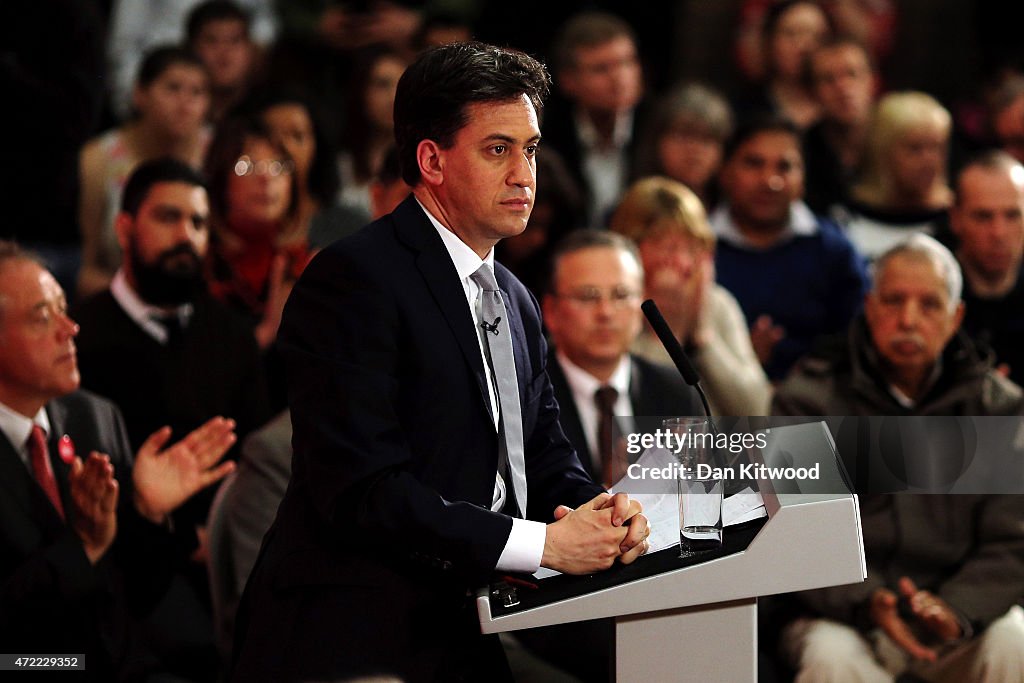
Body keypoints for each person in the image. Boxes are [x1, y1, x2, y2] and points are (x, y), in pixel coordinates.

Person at [230, 42, 650, 682]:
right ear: (431, 159)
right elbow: (364, 491)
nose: (524, 174)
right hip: (350, 633)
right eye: (497, 149)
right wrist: (545, 544)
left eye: (531, 149)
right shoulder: (353, 280)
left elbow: (540, 452)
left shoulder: (513, 297)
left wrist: (602, 512)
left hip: (464, 626)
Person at [772, 235, 1024, 682]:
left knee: (1015, 640)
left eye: (929, 304)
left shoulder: (999, 408)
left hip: (957, 616)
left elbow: (1013, 543)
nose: (908, 320)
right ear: (869, 308)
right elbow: (802, 534)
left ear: (956, 317)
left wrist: (957, 609)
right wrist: (871, 601)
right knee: (830, 659)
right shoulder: (808, 401)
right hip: (845, 615)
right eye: (893, 301)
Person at [0, 240, 237, 681]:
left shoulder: (92, 415)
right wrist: (83, 547)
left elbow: (135, 593)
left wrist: (147, 512)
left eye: (64, 308)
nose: (70, 328)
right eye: (42, 317)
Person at [710, 115, 869, 381]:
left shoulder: (834, 251)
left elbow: (859, 342)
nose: (770, 180)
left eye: (784, 167)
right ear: (725, 171)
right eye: (754, 163)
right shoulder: (699, 249)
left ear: (803, 179)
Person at [611, 177, 772, 416]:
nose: (683, 263)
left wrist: (702, 337)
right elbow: (648, 417)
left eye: (691, 247)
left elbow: (758, 408)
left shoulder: (717, 303)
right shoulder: (612, 308)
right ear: (630, 248)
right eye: (667, 247)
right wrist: (666, 333)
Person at [78, 46, 212, 299]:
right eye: (173, 88)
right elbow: (84, 267)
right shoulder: (97, 159)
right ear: (140, 94)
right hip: (118, 299)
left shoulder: (222, 154)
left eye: (197, 92)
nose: (185, 104)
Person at [543, 11, 647, 227]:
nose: (619, 78)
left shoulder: (659, 128)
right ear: (568, 80)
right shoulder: (545, 137)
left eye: (627, 62)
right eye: (601, 69)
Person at [839, 91, 954, 260]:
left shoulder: (957, 220)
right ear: (882, 152)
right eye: (915, 148)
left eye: (936, 147)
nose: (929, 161)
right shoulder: (845, 221)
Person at [951, 151, 1024, 385]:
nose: (998, 233)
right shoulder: (926, 289)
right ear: (956, 218)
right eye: (983, 217)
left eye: (1013, 215)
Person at [802, 36, 878, 214]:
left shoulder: (897, 142)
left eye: (852, 74)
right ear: (812, 92)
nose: (843, 87)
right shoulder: (801, 150)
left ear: (872, 81)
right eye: (829, 79)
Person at [632, 82, 734, 209]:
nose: (695, 149)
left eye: (706, 139)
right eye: (684, 136)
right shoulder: (630, 211)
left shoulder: (738, 215)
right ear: (657, 141)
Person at [186, 0, 260, 124]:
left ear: (250, 49)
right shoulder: (176, 117)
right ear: (191, 49)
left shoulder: (270, 115)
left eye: (235, 40)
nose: (224, 52)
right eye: (212, 41)